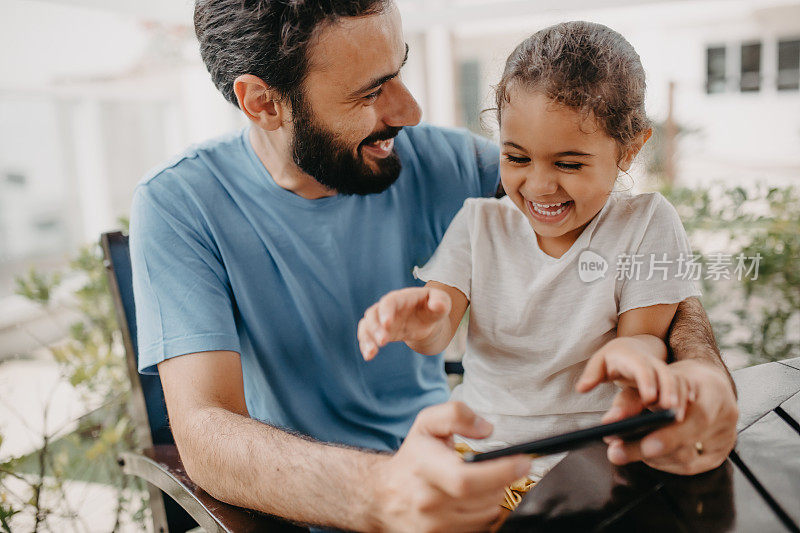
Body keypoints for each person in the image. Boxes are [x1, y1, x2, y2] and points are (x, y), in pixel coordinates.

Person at [129, 1, 738, 530]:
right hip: (321, 511)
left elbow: (619, 248)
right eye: (371, 92)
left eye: (400, 71)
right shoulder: (181, 204)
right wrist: (383, 493)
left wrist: (703, 373)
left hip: (485, 480)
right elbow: (204, 430)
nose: (411, 110)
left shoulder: (449, 166)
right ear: (263, 102)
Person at [357, 22, 704, 502]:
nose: (539, 186)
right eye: (516, 157)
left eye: (568, 164)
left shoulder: (646, 223)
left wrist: (633, 357)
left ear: (629, 149)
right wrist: (419, 323)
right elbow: (438, 327)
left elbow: (644, 335)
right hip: (481, 455)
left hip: (591, 461)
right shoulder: (479, 225)